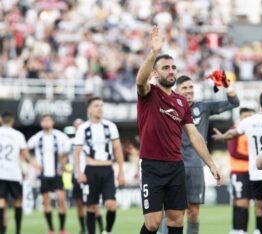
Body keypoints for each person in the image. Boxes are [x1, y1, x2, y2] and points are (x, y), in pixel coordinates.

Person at [136, 26, 223, 234]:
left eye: (174, 67)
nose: (171, 71)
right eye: (166, 67)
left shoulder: (181, 101)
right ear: (155, 73)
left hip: (176, 166)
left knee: (176, 220)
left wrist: (211, 164)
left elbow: (193, 134)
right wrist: (154, 52)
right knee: (153, 223)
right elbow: (140, 80)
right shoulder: (149, 93)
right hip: (152, 166)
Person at [157, 74, 239, 234]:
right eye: (184, 88)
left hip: (196, 166)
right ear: (176, 91)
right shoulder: (167, 108)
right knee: (173, 212)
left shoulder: (203, 107)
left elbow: (234, 103)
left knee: (193, 213)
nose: (188, 91)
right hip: (174, 165)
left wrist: (226, 84)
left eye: (191, 87)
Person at [212, 89, 262, 234]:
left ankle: (258, 231)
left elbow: (232, 134)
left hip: (255, 174)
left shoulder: (248, 122)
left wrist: (222, 137)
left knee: (259, 207)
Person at [74, 97, 125, 234]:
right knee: (91, 207)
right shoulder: (83, 128)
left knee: (111, 205)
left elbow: (117, 149)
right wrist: (79, 172)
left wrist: (121, 171)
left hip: (108, 169)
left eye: (101, 105)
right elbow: (77, 152)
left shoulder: (110, 126)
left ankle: (107, 231)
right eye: (96, 106)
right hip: (91, 170)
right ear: (89, 109)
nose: (100, 108)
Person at [27, 114, 71, 234]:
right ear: (41, 123)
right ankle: (51, 229)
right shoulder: (38, 137)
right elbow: (25, 149)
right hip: (44, 174)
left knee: (61, 200)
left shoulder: (59, 136)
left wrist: (63, 162)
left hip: (57, 174)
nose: (46, 123)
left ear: (52, 122)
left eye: (48, 120)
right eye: (44, 120)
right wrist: (33, 162)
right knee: (46, 202)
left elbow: (68, 148)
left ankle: (62, 228)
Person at [0, 112, 35, 234]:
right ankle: (18, 230)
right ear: (12, 121)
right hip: (14, 173)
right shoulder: (18, 135)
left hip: (0, 173)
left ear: (1, 120)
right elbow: (25, 155)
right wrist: (33, 163)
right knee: (17, 202)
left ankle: (2, 230)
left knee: (1, 202)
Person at [227, 108, 255, 234]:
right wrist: (255, 156)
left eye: (250, 116)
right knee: (240, 202)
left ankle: (248, 229)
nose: (248, 118)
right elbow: (234, 152)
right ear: (240, 117)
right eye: (245, 116)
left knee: (253, 202)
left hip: (254, 172)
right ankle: (238, 230)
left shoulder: (255, 130)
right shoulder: (235, 129)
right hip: (239, 171)